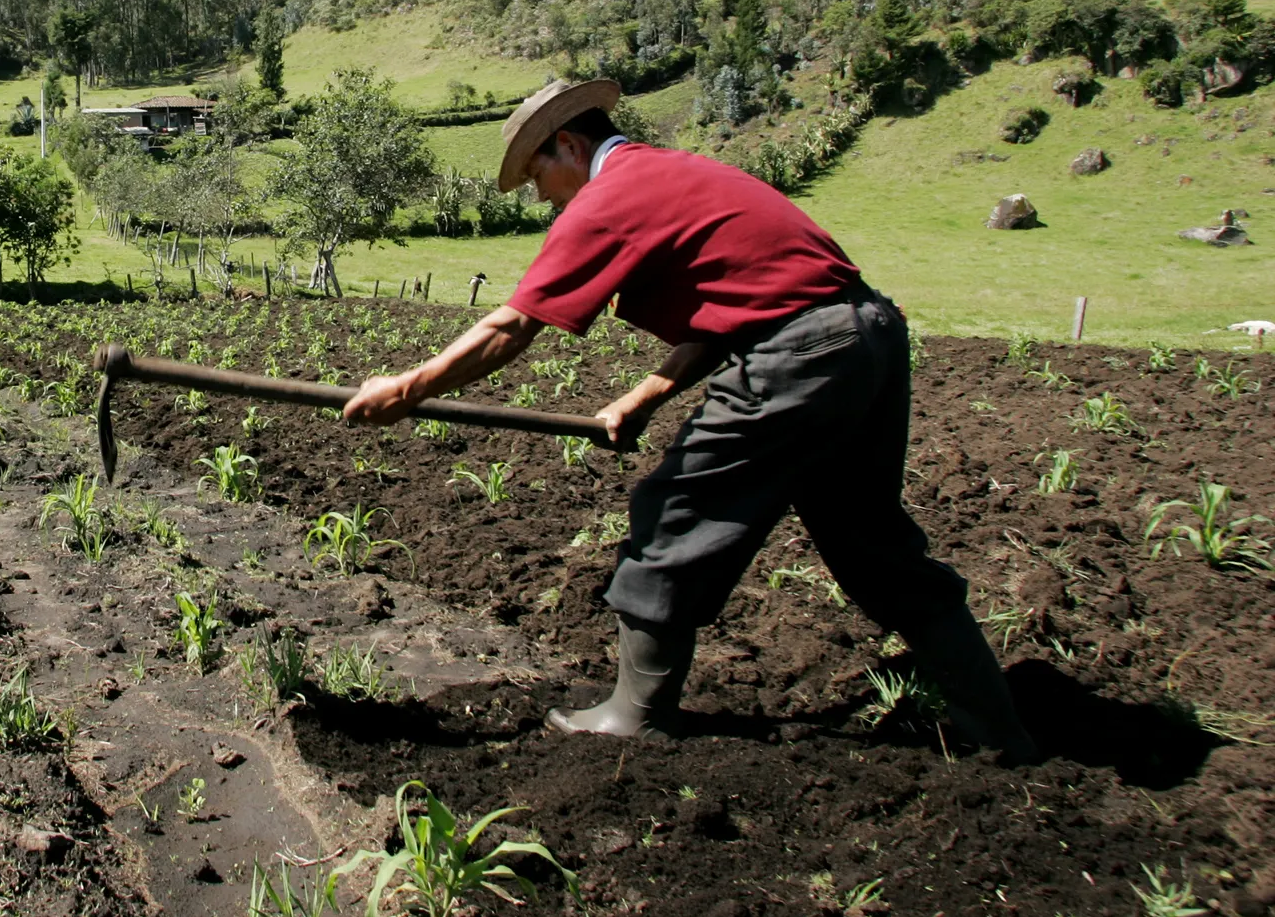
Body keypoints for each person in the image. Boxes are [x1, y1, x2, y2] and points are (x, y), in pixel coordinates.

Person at [343, 77, 1036, 759]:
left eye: (536, 174)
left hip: (801, 353)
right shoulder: (675, 174)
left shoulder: (609, 197)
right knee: (871, 543)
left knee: (674, 513)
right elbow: (737, 310)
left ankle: (633, 716)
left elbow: (513, 325)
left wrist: (407, 389)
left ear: (569, 144)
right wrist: (642, 397)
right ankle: (995, 725)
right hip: (864, 337)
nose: (540, 195)